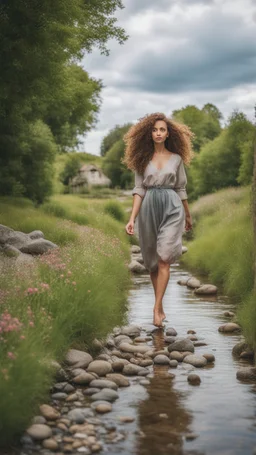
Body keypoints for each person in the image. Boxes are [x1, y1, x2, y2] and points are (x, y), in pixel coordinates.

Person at [123, 112, 194, 328]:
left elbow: (180, 188)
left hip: (172, 207)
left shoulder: (177, 159)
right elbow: (139, 190)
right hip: (148, 208)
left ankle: (155, 309)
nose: (158, 133)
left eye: (162, 129)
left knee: (164, 258)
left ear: (168, 133)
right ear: (149, 133)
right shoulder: (141, 160)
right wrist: (132, 218)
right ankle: (160, 306)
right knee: (153, 263)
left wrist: (188, 215)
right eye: (154, 130)